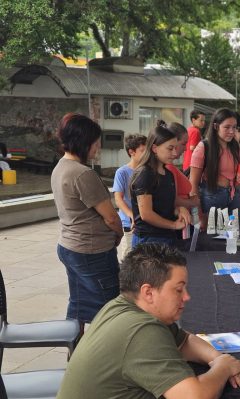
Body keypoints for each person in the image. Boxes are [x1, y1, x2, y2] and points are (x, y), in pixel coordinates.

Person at [39, 243, 240, 399]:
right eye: (178, 290)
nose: (186, 297)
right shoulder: (141, 332)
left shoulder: (124, 307)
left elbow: (185, 341)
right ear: (148, 292)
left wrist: (216, 357)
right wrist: (223, 368)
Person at [51, 113, 122, 326]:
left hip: (69, 246)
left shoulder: (60, 167)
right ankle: (107, 354)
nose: (97, 148)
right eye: (95, 143)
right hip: (91, 251)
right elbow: (110, 217)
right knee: (110, 307)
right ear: (83, 142)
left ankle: (75, 352)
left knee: (79, 305)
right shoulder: (82, 174)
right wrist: (119, 234)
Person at [131, 122, 191, 247]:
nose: (175, 153)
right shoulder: (145, 174)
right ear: (154, 148)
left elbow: (165, 207)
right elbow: (146, 214)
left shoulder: (168, 174)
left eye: (175, 148)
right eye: (170, 148)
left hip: (166, 237)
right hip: (148, 240)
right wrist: (173, 225)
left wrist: (179, 209)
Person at [189, 108, 240, 219]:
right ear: (216, 126)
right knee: (213, 235)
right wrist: (199, 215)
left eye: (234, 127)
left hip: (234, 196)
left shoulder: (236, 147)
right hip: (211, 198)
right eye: (227, 127)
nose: (232, 131)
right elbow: (193, 185)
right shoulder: (203, 147)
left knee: (237, 233)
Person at [113, 133, 147, 261]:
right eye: (143, 151)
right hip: (129, 223)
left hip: (145, 222)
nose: (146, 154)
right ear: (131, 152)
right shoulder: (122, 172)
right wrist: (131, 215)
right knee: (129, 258)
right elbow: (118, 199)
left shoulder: (148, 170)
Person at [165, 122, 201, 211]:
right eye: (183, 144)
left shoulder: (169, 166)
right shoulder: (168, 168)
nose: (185, 149)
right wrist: (192, 203)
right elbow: (172, 199)